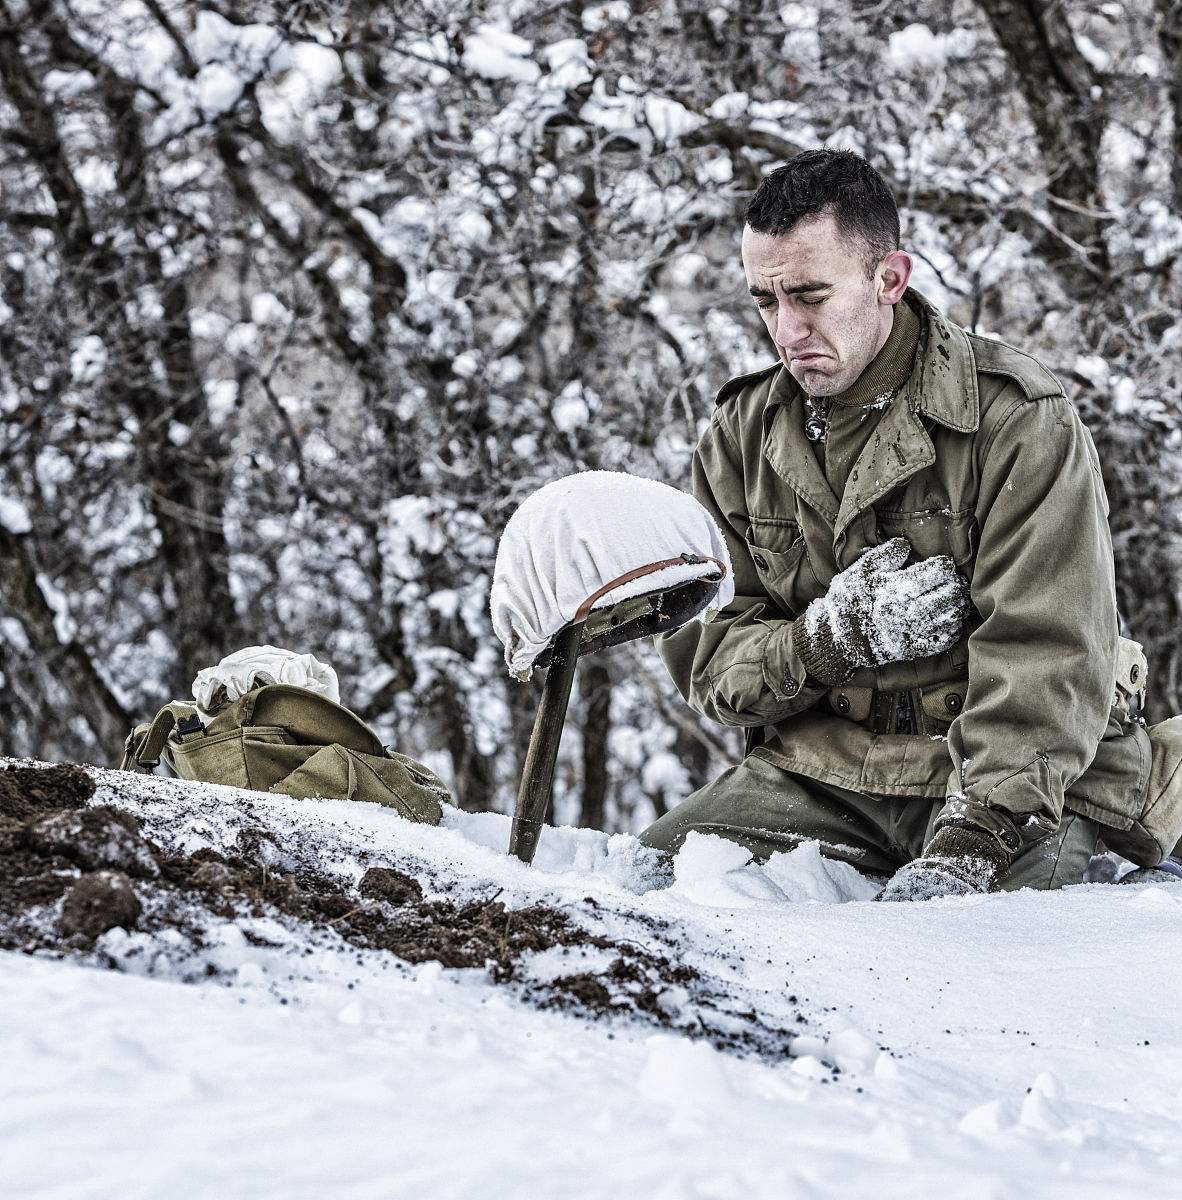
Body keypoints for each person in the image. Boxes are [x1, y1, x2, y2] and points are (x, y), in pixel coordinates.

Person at [641, 148, 1148, 901]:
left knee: (997, 952)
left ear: (890, 279)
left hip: (1013, 780)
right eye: (765, 301)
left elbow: (1048, 648)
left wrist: (975, 836)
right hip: (825, 770)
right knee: (646, 883)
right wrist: (823, 645)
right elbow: (711, 655)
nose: (786, 330)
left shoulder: (1015, 419)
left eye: (810, 295)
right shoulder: (740, 435)